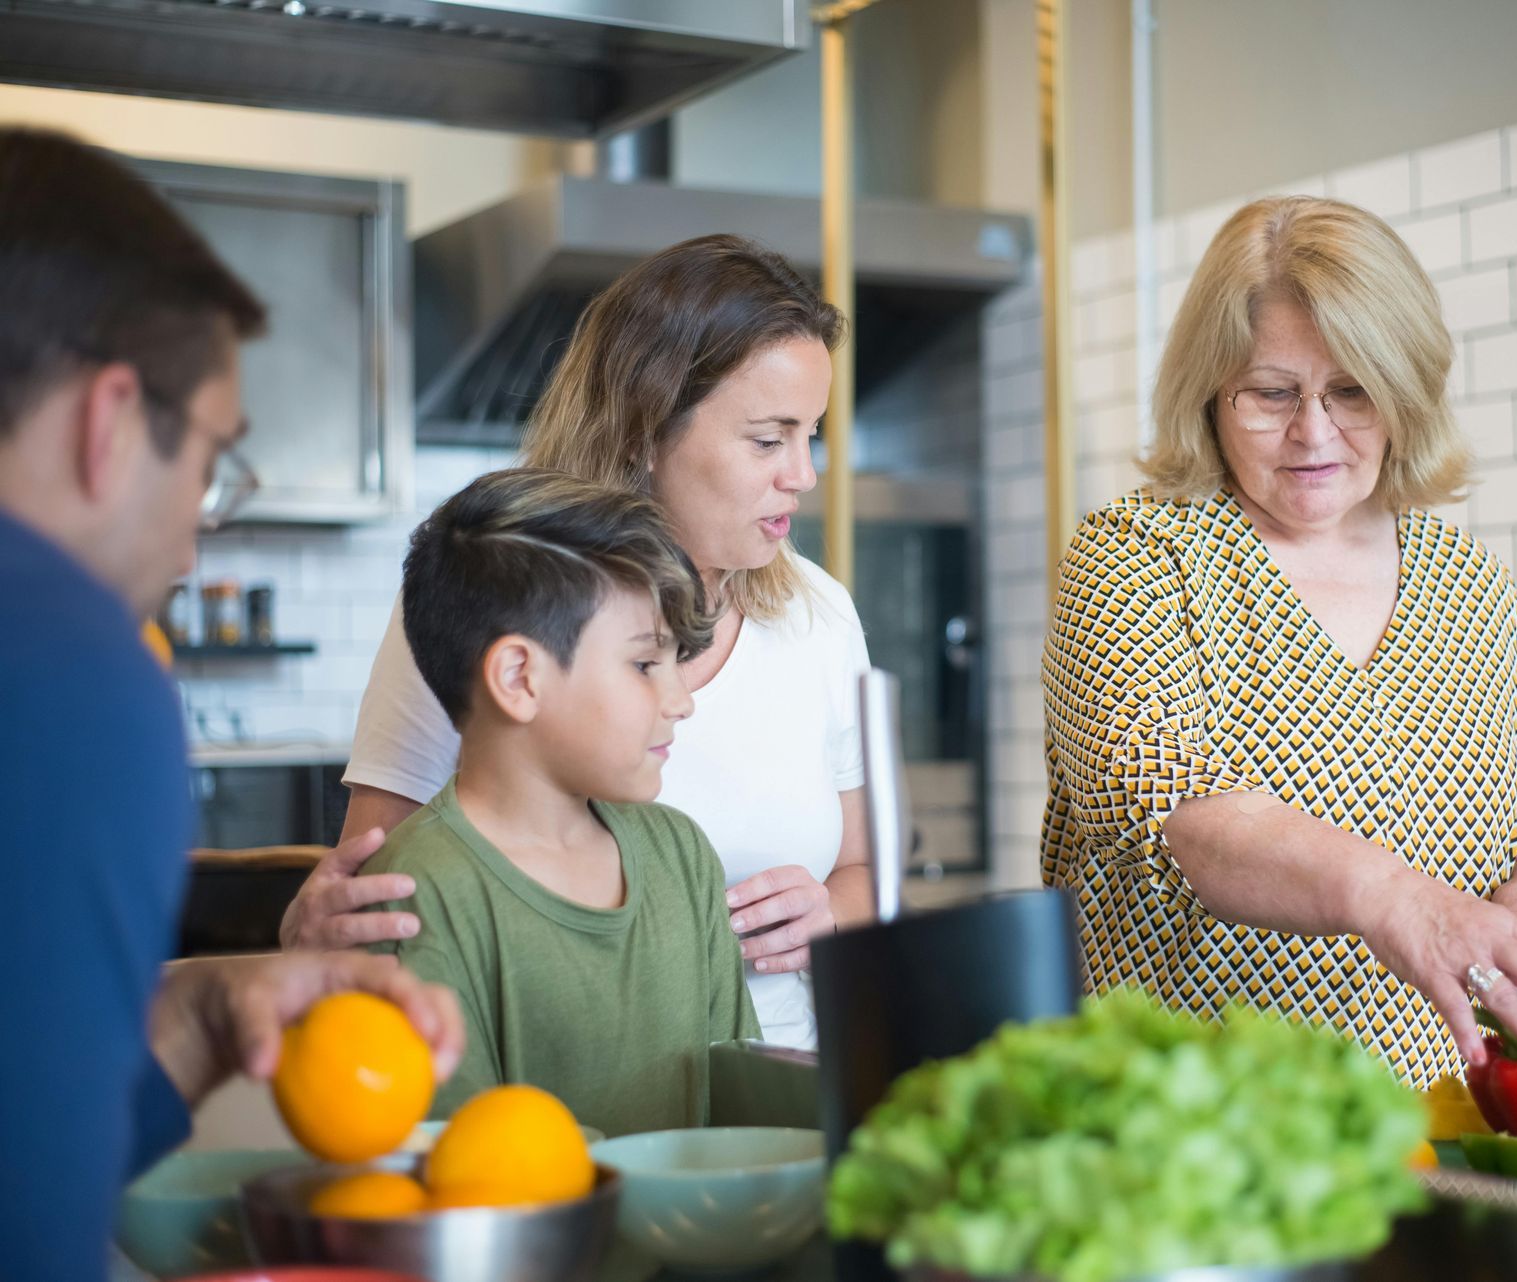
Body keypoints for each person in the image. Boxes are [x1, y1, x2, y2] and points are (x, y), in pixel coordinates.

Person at [0, 127, 463, 1281]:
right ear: (109, 420)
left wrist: (201, 1017)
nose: (201, 523)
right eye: (211, 462)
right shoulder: (68, 662)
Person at [1041, 195, 1517, 1089]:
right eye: (1272, 393)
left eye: (1352, 392)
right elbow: (1173, 815)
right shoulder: (1134, 560)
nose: (1313, 432)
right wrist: (1399, 901)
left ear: (1404, 392)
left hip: (1439, 1119)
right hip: (1190, 1130)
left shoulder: (1467, 579)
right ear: (1209, 393)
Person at [283, 237, 871, 1049]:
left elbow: (867, 873)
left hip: (782, 1083)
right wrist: (312, 931)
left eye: (812, 433)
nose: (803, 474)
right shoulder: (490, 601)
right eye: (768, 440)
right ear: (642, 428)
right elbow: (381, 893)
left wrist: (834, 914)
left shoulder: (820, 617)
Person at [359, 468, 759, 1136]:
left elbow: (743, 1112)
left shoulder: (682, 854)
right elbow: (464, 1171)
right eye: (644, 664)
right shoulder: (414, 897)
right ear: (519, 678)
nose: (681, 699)